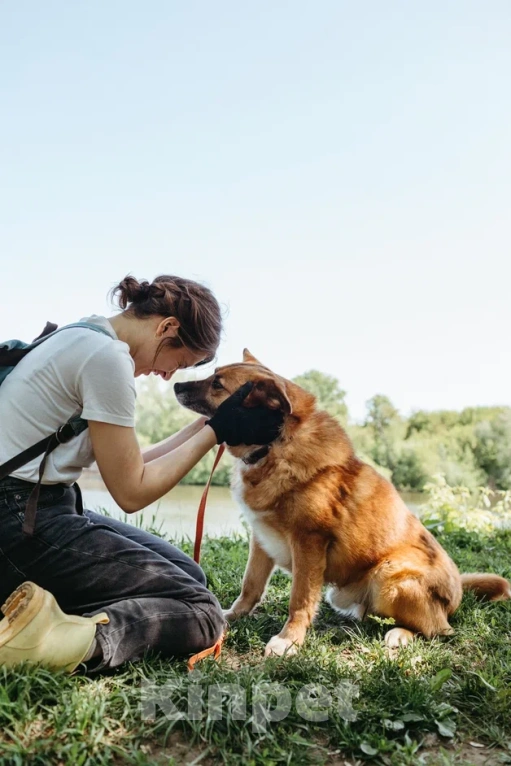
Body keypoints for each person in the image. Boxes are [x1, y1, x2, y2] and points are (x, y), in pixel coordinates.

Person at [0, 275, 283, 673]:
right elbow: (131, 493)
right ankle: (56, 643)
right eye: (180, 362)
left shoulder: (84, 334)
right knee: (202, 611)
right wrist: (217, 433)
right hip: (19, 525)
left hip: (28, 511)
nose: (168, 375)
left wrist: (213, 422)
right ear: (167, 327)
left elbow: (130, 462)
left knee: (190, 575)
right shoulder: (107, 360)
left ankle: (51, 604)